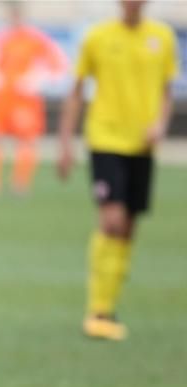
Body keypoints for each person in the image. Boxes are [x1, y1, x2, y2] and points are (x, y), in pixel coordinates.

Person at [57, 0, 180, 341]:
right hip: (105, 139)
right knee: (111, 219)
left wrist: (160, 124)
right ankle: (97, 310)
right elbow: (77, 92)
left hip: (141, 143)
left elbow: (167, 91)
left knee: (128, 227)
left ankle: (110, 306)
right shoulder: (97, 37)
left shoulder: (162, 37)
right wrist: (65, 142)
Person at [0, 0, 67, 197]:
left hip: (25, 99)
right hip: (1, 97)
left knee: (26, 141)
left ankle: (20, 184)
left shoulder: (35, 39)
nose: (13, 19)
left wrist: (35, 79)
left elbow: (57, 65)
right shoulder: (1, 38)